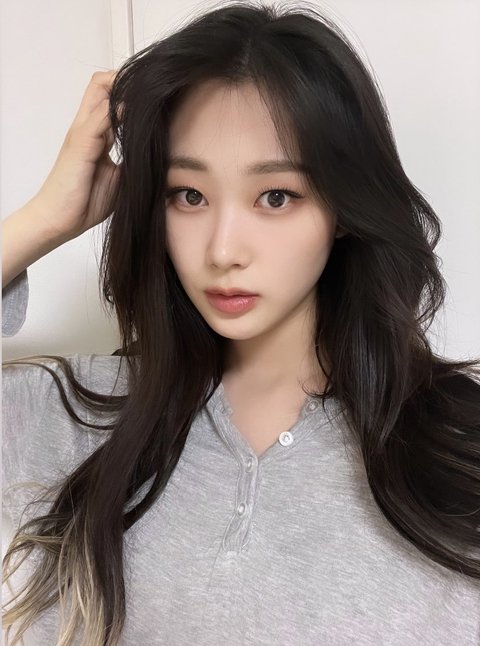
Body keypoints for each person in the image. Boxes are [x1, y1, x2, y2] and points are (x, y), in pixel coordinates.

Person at [2, 2, 480, 645]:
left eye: (276, 197)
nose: (223, 249)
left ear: (344, 207)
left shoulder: (459, 444)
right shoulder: (73, 418)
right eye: (188, 195)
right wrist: (43, 220)